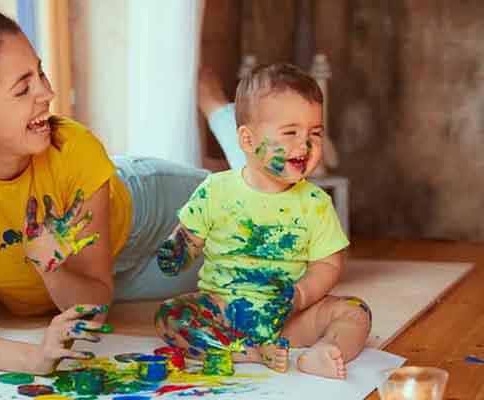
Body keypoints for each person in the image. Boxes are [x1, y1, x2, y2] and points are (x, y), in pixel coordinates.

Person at [0, 5, 207, 375]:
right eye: (23, 88)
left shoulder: (74, 150)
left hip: (152, 219)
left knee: (271, 211)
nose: (48, 92)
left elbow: (96, 304)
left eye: (39, 72)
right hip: (105, 281)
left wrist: (52, 269)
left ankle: (217, 103)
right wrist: (34, 356)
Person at [155, 63, 372, 379]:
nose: (305, 145)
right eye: (290, 133)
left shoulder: (315, 203)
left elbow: (328, 265)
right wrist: (178, 251)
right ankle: (249, 351)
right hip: (224, 309)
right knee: (171, 316)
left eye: (315, 133)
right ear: (246, 139)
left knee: (355, 312)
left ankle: (324, 351)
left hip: (290, 317)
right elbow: (189, 238)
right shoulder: (216, 190)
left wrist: (300, 296)